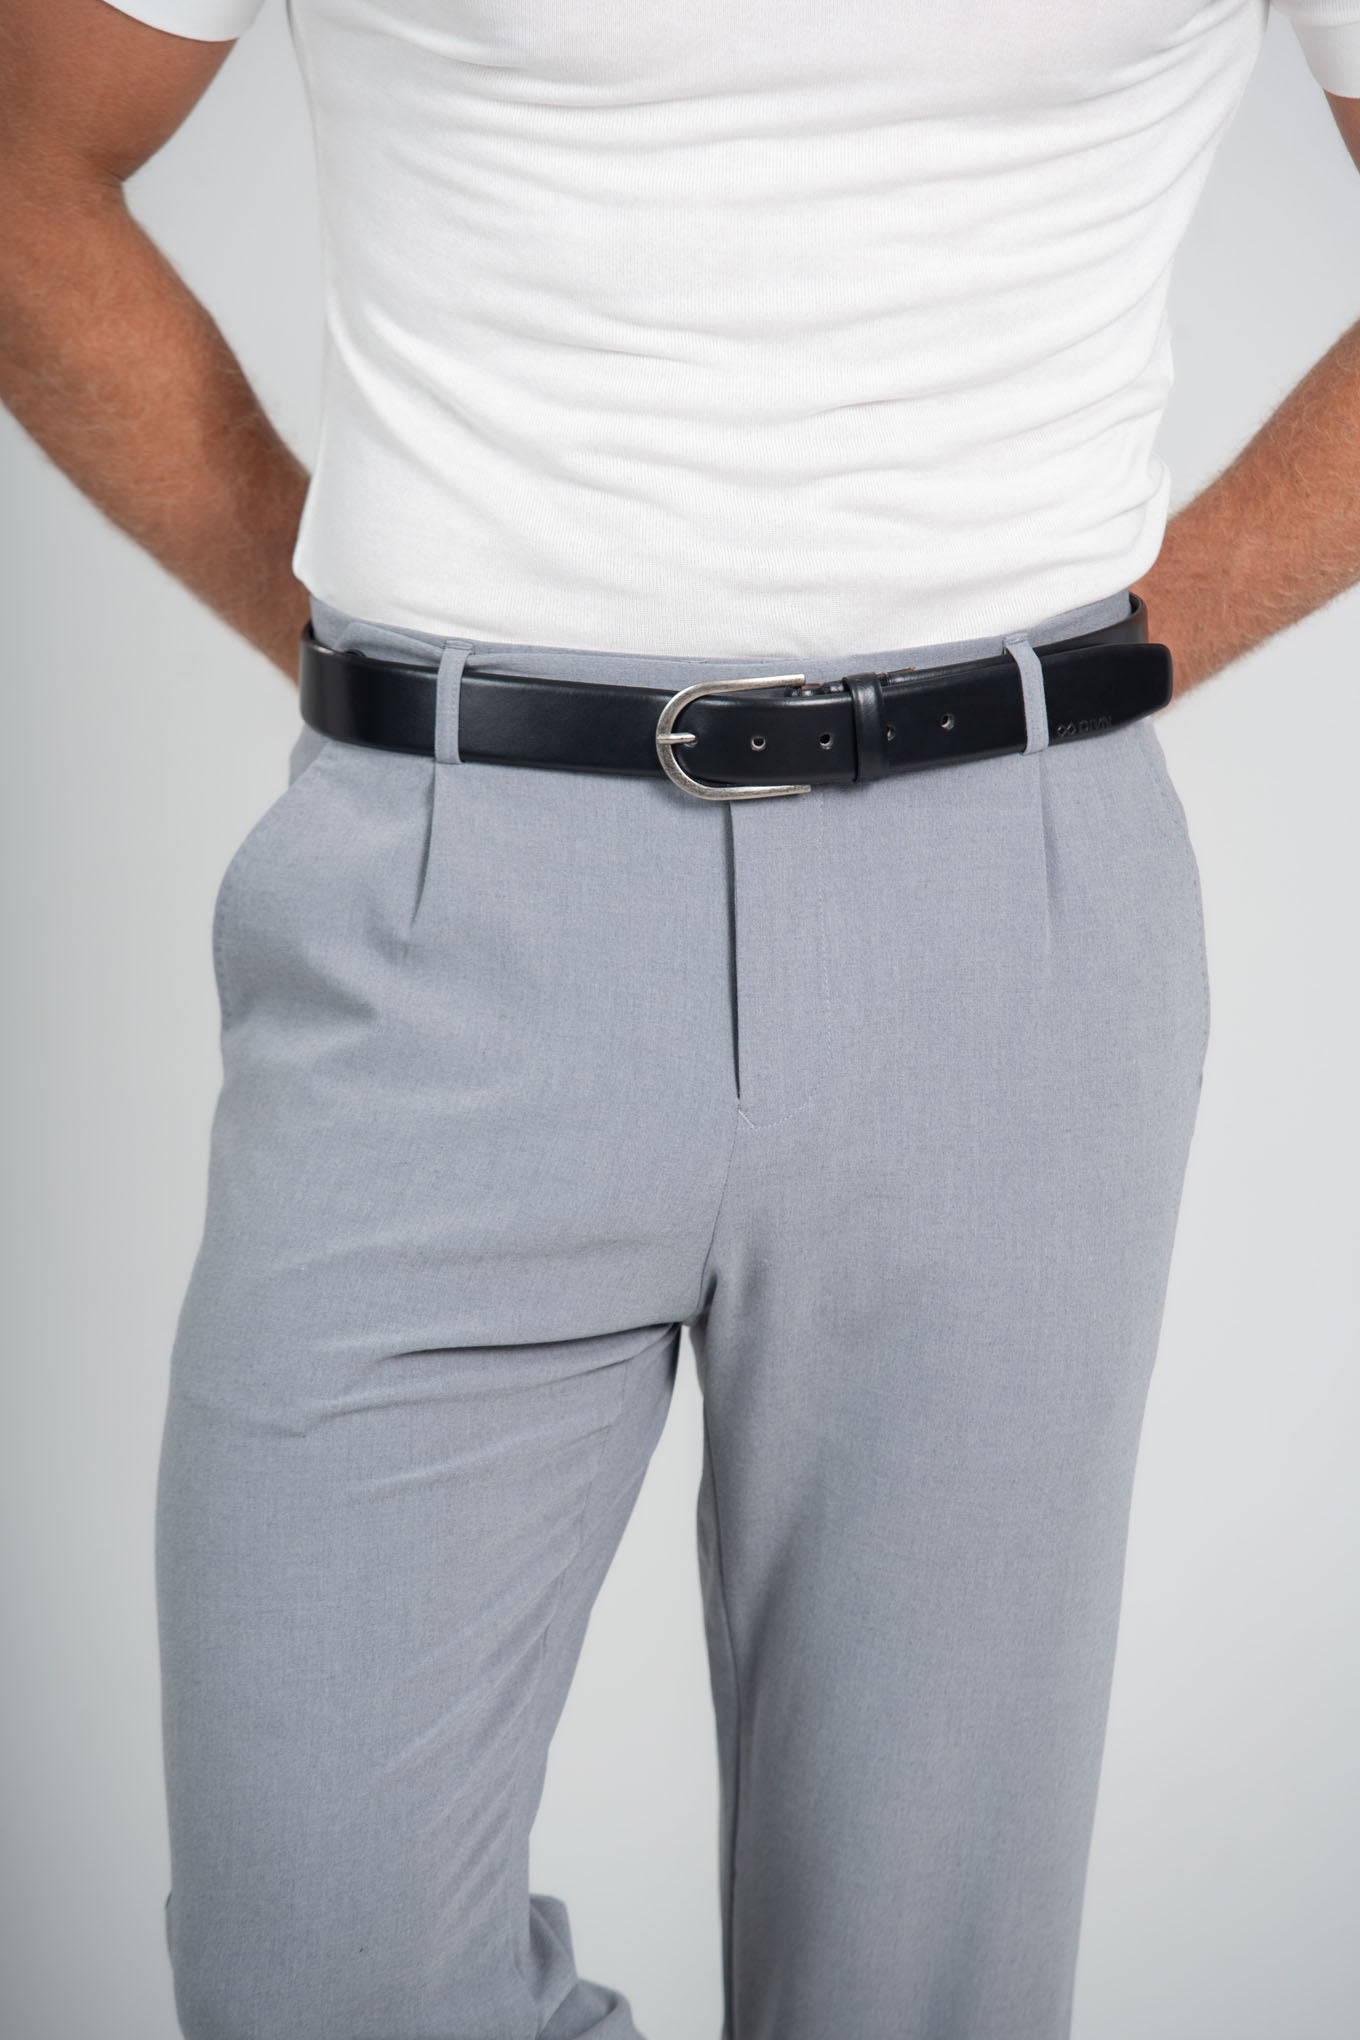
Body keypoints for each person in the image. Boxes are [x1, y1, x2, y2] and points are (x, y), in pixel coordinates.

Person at [2, 2, 1358, 2034]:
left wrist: (1114, 660)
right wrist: (361, 652)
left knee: (918, 1980)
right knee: (316, 1965)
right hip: (449, 902)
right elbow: (24, 155)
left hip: (1003, 910)